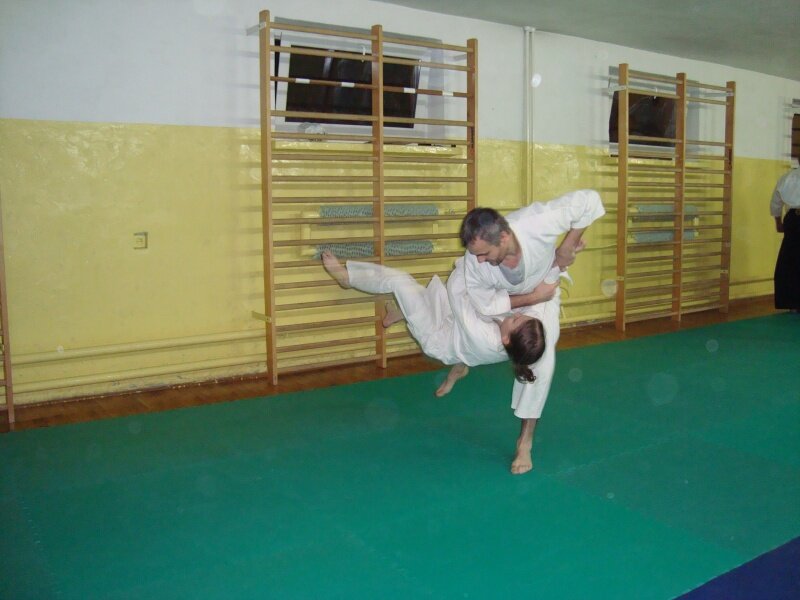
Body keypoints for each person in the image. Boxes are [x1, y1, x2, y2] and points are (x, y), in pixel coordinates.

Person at [460, 189, 606, 474]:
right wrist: (531, 297)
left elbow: (589, 200)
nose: (479, 260)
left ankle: (524, 440)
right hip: (507, 304)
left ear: (503, 237)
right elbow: (484, 304)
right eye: (476, 254)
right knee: (472, 343)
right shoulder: (473, 261)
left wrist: (567, 246)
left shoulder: (535, 223)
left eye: (484, 254)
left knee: (542, 358)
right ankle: (460, 361)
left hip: (543, 293)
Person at [321, 251, 559, 397]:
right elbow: (535, 298)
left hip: (437, 335)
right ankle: (403, 317)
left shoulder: (482, 337)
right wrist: (555, 262)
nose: (515, 314)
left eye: (515, 319)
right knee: (422, 300)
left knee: (400, 281)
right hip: (456, 331)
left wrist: (475, 256)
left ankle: (347, 278)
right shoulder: (518, 339)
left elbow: (457, 290)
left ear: (506, 339)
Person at [770, 162, 800, 311]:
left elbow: (775, 202)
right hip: (793, 219)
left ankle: (792, 303)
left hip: (793, 219)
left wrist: (778, 222)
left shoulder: (787, 177)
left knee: (790, 260)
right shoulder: (787, 177)